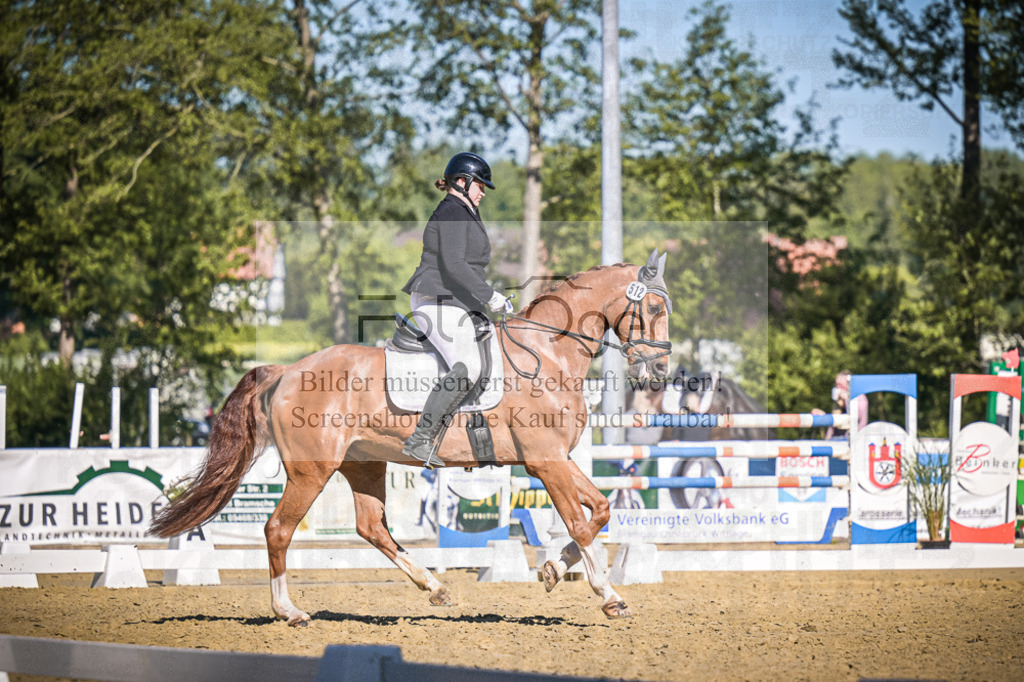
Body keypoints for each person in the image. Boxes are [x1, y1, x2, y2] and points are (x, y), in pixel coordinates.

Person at [400, 152, 512, 466]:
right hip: (435, 298)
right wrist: (490, 297)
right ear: (461, 182)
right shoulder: (452, 211)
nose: (484, 191)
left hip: (455, 300)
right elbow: (455, 265)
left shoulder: (465, 210)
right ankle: (421, 438)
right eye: (480, 184)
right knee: (469, 366)